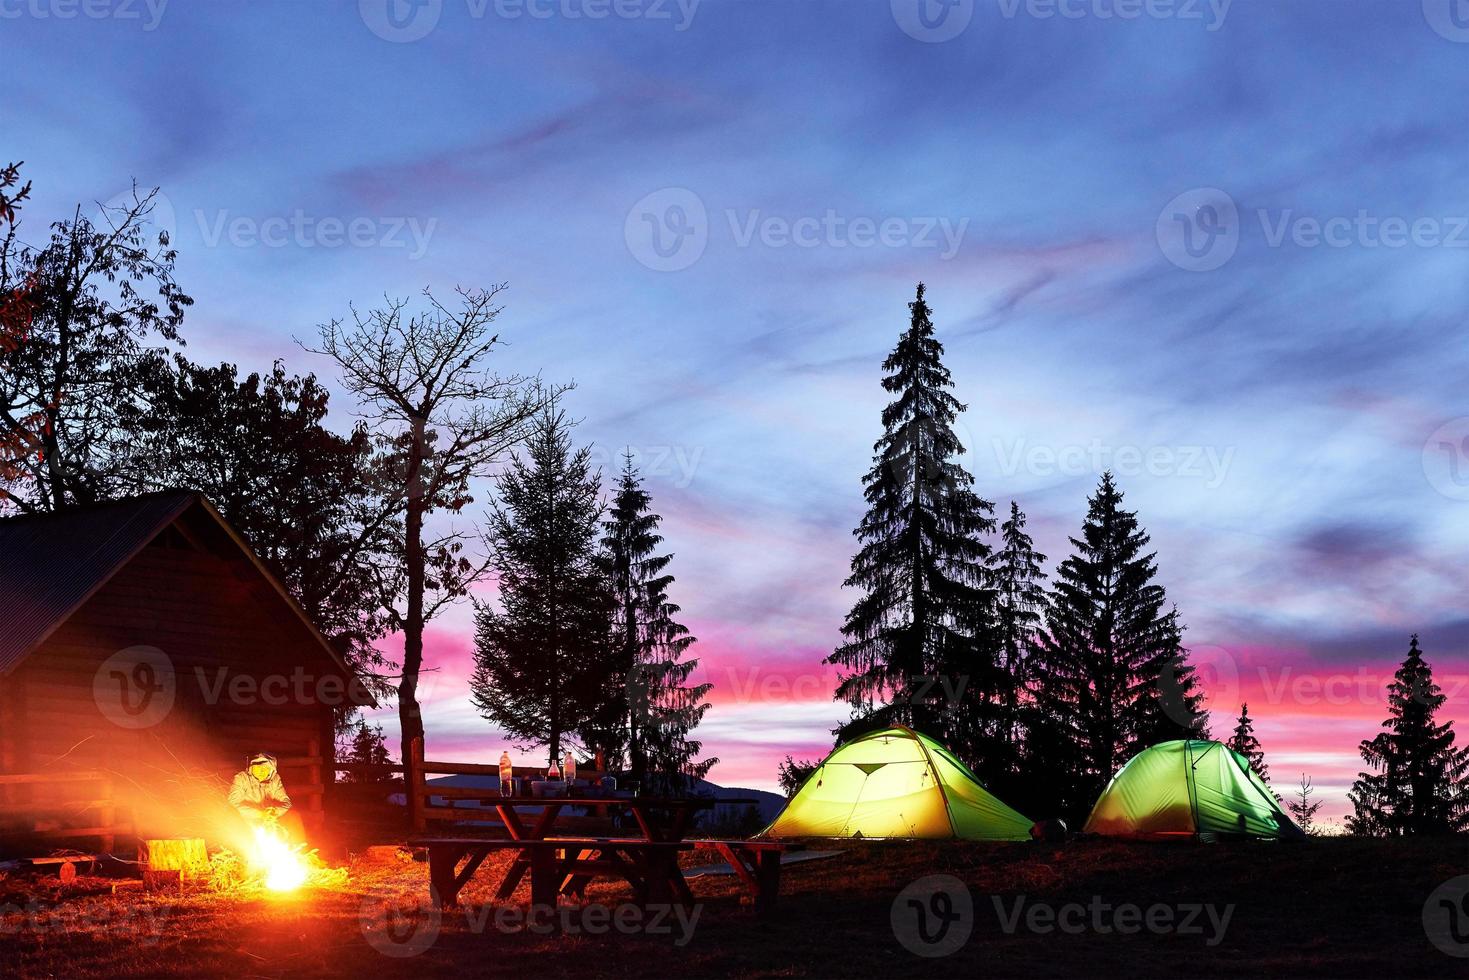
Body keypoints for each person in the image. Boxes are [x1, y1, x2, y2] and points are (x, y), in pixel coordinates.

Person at [228, 752, 304, 842]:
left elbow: (286, 802)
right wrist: (259, 814)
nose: (261, 771)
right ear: (251, 768)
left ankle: (301, 850)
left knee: (294, 817)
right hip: (246, 819)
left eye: (265, 768)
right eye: (257, 768)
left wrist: (274, 811)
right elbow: (233, 803)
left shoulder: (275, 780)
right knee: (236, 822)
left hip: (269, 819)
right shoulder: (241, 778)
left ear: (271, 770)